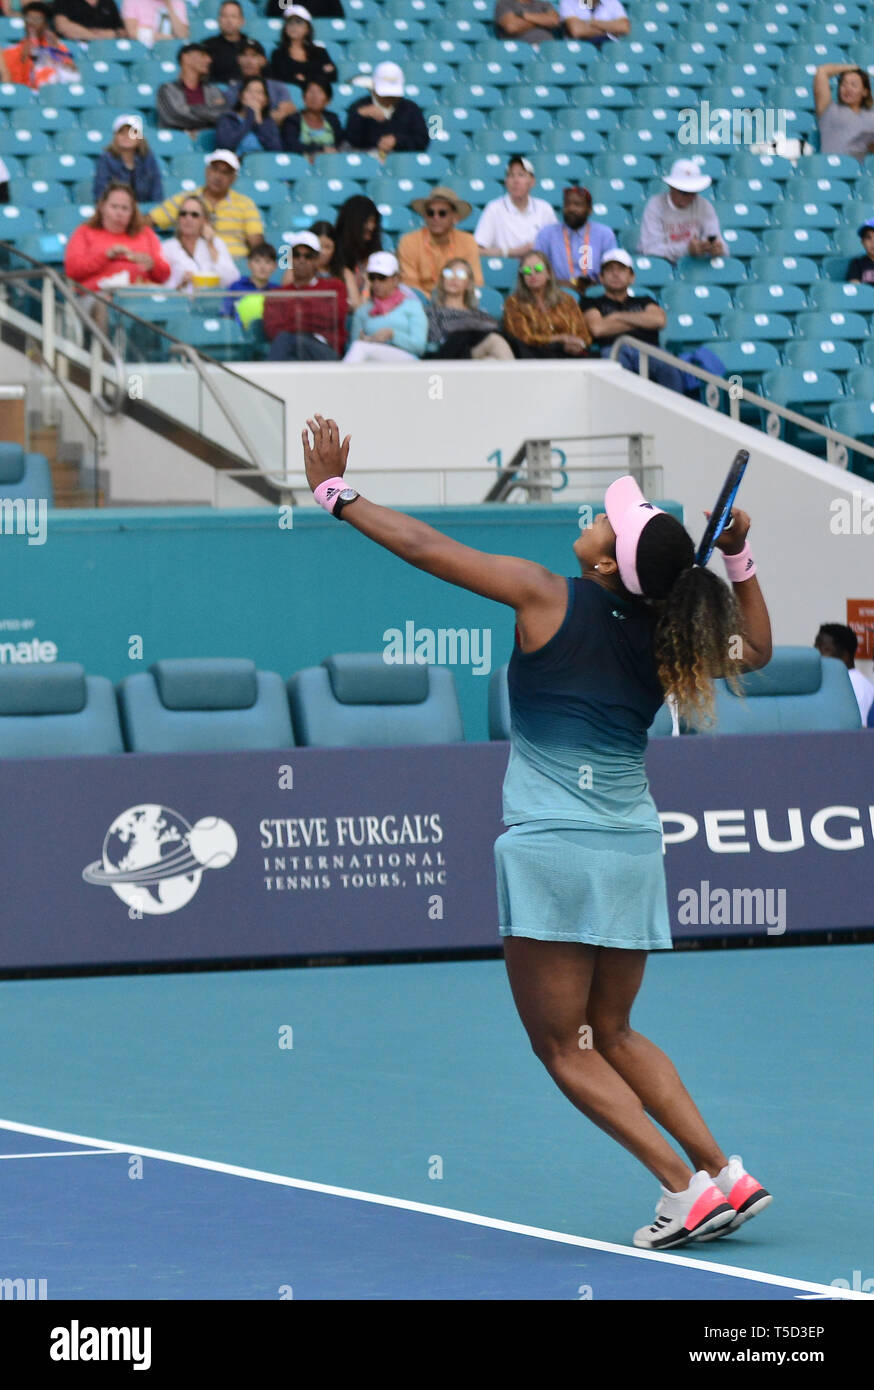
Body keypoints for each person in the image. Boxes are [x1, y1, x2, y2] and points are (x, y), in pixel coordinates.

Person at [301, 413, 774, 1252]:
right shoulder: (674, 636)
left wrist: (337, 495)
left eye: (607, 522)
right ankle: (725, 1174)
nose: (598, 516)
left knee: (563, 1046)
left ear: (603, 563)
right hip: (631, 849)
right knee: (614, 1030)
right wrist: (737, 560)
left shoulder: (545, 593)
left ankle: (681, 1187)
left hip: (553, 851)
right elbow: (760, 649)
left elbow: (425, 547)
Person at [583, 248, 690, 392]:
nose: (615, 274)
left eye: (621, 269)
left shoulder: (645, 299)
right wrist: (641, 321)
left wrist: (616, 317)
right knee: (614, 367)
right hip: (615, 349)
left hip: (648, 349)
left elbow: (659, 321)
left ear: (631, 277)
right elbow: (598, 329)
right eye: (609, 270)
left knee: (670, 367)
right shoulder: (590, 302)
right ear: (601, 277)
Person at [148, 150, 264, 259]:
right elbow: (147, 221)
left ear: (233, 178)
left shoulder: (245, 204)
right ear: (207, 171)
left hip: (235, 265)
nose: (218, 176)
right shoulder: (186, 199)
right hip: (195, 264)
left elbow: (256, 242)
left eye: (225, 173)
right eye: (215, 169)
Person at [65, 182, 171, 292]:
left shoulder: (146, 233)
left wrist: (152, 265)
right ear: (102, 207)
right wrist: (106, 256)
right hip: (98, 295)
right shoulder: (84, 231)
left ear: (132, 212)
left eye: (125, 208)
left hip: (139, 294)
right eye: (114, 207)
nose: (119, 213)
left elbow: (164, 275)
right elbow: (73, 271)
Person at [263, 230, 347, 359]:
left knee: (286, 339)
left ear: (317, 259)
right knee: (286, 342)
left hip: (324, 349)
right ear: (290, 258)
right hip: (290, 348)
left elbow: (335, 317)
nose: (302, 260)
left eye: (308, 256)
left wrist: (294, 315)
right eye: (297, 255)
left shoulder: (335, 287)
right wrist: (315, 311)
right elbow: (273, 330)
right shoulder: (277, 295)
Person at [503, 251, 592, 357]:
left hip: (569, 354)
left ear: (549, 274)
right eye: (526, 270)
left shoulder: (567, 300)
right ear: (522, 276)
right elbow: (522, 337)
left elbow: (584, 335)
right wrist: (559, 339)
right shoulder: (514, 302)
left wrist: (578, 344)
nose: (532, 274)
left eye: (538, 269)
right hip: (535, 355)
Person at [343, 252, 428, 364]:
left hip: (407, 362)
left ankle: (338, 380)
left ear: (396, 279)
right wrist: (367, 341)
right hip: (371, 362)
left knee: (360, 348)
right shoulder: (363, 310)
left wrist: (392, 335)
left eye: (382, 278)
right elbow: (352, 347)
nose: (376, 283)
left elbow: (419, 347)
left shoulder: (412, 306)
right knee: (359, 347)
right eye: (372, 278)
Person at [398, 187, 483, 297]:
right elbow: (410, 285)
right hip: (421, 304)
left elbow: (475, 281)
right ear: (425, 216)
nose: (435, 217)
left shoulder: (468, 241)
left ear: (455, 217)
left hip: (458, 302)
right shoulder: (409, 241)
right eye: (430, 213)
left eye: (442, 213)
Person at [638, 159, 727, 264]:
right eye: (683, 192)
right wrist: (686, 249)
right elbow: (649, 248)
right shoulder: (655, 205)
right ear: (671, 187)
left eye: (693, 192)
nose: (689, 197)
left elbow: (718, 241)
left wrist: (717, 249)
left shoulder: (705, 206)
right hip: (661, 265)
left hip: (694, 267)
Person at [426, 258, 515, 361]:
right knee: (494, 342)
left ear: (468, 284)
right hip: (447, 358)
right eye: (448, 273)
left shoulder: (480, 315)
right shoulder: (431, 312)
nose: (454, 278)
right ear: (442, 280)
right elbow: (435, 342)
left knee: (491, 360)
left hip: (472, 357)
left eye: (461, 274)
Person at [533, 185, 617, 292]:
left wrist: (591, 283)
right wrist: (565, 284)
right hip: (557, 292)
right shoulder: (547, 234)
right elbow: (537, 268)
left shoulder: (604, 234)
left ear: (589, 210)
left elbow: (612, 269)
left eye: (577, 204)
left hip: (596, 292)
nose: (571, 208)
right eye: (567, 204)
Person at [475, 156, 558, 260]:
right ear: (506, 182)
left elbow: (556, 246)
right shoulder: (494, 208)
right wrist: (512, 252)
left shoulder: (544, 209)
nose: (516, 180)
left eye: (521, 175)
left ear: (532, 182)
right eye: (511, 175)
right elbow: (477, 250)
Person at [344, 62, 429, 157]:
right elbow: (352, 141)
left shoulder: (411, 108)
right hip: (367, 160)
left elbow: (422, 140)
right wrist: (359, 116)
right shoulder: (359, 106)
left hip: (401, 162)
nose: (389, 97)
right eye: (385, 94)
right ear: (373, 87)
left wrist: (397, 140)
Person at [161, 194, 239, 293]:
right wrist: (181, 283)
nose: (188, 218)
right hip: (181, 303)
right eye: (183, 214)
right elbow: (162, 289)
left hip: (211, 303)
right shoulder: (167, 247)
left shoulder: (216, 243)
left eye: (194, 215)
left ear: (204, 220)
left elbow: (232, 279)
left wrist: (210, 244)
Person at [2, 2, 78, 88]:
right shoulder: (12, 51)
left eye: (37, 19)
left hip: (55, 95)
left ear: (46, 25)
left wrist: (56, 51)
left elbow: (73, 75)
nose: (32, 23)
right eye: (28, 19)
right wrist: (23, 59)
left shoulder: (57, 47)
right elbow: (14, 88)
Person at [156, 42, 229, 131]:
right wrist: (209, 112)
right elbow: (176, 116)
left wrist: (190, 109)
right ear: (186, 58)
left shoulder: (213, 90)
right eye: (203, 55)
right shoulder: (167, 89)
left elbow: (224, 114)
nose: (209, 60)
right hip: (178, 141)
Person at [93, 115, 163, 205]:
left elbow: (157, 191)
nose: (127, 137)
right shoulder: (105, 159)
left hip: (145, 215)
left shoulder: (148, 159)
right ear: (115, 137)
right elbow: (101, 192)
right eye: (122, 133)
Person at [226, 39, 296, 127]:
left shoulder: (278, 86)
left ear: (263, 61)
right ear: (238, 59)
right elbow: (234, 117)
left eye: (254, 56)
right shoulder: (233, 88)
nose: (248, 61)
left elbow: (288, 109)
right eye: (243, 55)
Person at [814, 624, 873, 726]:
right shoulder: (837, 682)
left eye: (825, 650)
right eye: (816, 648)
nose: (817, 655)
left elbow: (860, 733)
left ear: (845, 656)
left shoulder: (855, 686)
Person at [814, 63, 874, 163]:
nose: (847, 88)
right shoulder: (829, 110)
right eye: (844, 84)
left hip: (857, 172)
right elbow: (822, 72)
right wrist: (852, 68)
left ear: (865, 92)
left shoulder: (871, 116)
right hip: (829, 168)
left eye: (853, 85)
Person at [268, 5, 336, 93]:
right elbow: (280, 78)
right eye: (290, 23)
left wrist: (303, 78)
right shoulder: (278, 54)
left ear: (307, 28)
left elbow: (331, 75)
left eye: (299, 22)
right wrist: (316, 74)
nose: (294, 27)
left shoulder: (320, 52)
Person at [333, 194, 382, 309]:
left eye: (374, 221)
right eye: (367, 221)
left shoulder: (375, 256)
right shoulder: (333, 253)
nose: (371, 227)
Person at [280, 77, 343, 160]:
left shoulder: (333, 119)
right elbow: (291, 146)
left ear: (328, 101)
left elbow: (340, 144)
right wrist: (321, 149)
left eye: (320, 92)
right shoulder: (292, 120)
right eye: (311, 91)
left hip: (330, 165)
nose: (314, 96)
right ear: (303, 97)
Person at [215, 75, 282, 152]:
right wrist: (250, 118)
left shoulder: (268, 122)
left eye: (259, 92)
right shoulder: (228, 119)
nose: (253, 95)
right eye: (249, 91)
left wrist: (259, 123)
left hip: (263, 162)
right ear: (240, 96)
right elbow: (225, 145)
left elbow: (276, 150)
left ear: (266, 100)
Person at [224, 240, 278, 324]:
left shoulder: (278, 292)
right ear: (249, 264)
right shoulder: (236, 287)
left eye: (267, 262)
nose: (262, 267)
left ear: (274, 266)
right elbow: (226, 316)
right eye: (257, 261)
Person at [201, 0, 247, 84]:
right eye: (224, 16)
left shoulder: (251, 46)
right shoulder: (207, 46)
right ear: (219, 20)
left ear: (242, 21)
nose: (229, 20)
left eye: (233, 16)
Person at [559, 0, 629, 45]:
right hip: (581, 46)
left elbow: (624, 27)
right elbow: (577, 31)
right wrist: (610, 30)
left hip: (608, 45)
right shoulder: (568, 2)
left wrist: (589, 23)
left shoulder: (612, 2)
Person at [494, 0, 561, 44]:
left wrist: (523, 15)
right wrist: (543, 21)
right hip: (522, 49)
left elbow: (555, 21)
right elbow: (512, 27)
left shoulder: (544, 4)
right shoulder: (504, 4)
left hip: (549, 49)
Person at [121, 0, 187, 45]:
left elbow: (183, 35)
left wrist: (169, 6)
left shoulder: (178, 2)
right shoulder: (132, 1)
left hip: (171, 48)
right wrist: (167, 37)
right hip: (143, 46)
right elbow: (132, 33)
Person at [51, 0, 125, 39]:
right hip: (75, 48)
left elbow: (122, 32)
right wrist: (95, 37)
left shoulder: (109, 2)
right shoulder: (64, 1)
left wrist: (115, 34)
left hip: (106, 50)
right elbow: (62, 26)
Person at [848, 218, 874, 284]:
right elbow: (856, 289)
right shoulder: (857, 263)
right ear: (862, 242)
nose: (873, 242)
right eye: (868, 238)